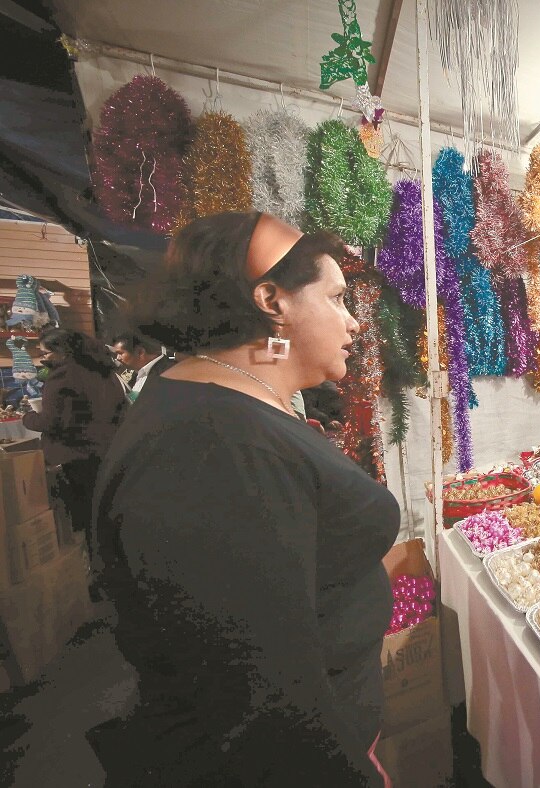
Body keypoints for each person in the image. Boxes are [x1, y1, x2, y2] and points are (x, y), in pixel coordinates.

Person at [88, 212, 398, 786]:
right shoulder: (212, 447)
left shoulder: (221, 397)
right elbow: (258, 696)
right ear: (271, 300)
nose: (353, 323)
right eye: (336, 298)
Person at [22, 328, 127, 555]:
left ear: (61, 351)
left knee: (81, 526)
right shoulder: (105, 372)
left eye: (45, 353)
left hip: (73, 460)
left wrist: (28, 418)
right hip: (106, 454)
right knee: (103, 521)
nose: (43, 358)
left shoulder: (63, 376)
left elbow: (50, 422)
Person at [111, 332, 176, 399]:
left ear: (140, 352)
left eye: (120, 353)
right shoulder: (134, 376)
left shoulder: (167, 372)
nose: (118, 358)